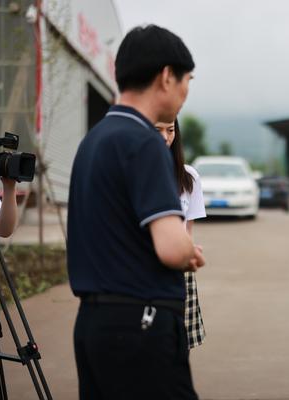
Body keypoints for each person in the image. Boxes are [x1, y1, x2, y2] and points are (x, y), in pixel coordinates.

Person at [67, 25, 204, 400]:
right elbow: (173, 248)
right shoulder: (145, 142)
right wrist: (189, 252)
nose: (186, 92)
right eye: (186, 80)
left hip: (93, 325)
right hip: (142, 325)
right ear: (166, 77)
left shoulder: (95, 140)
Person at [155, 118, 207, 349]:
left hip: (179, 271)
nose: (166, 137)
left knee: (177, 347)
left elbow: (188, 231)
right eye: (158, 130)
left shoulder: (188, 177)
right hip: (143, 269)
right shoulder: (131, 172)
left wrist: (189, 253)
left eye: (171, 130)